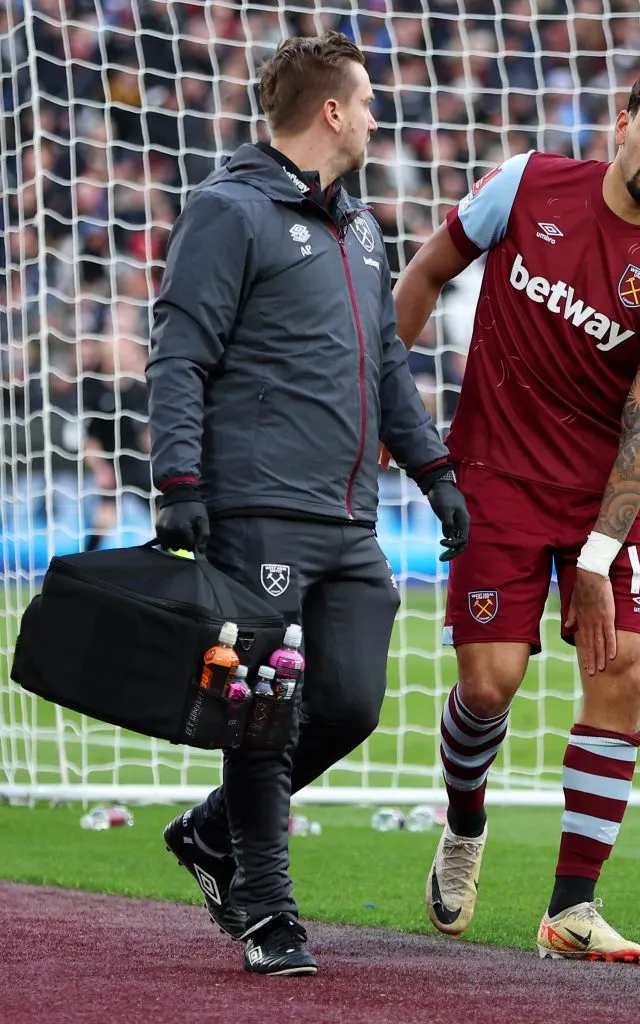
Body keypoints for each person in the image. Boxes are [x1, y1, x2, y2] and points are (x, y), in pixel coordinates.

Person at [146, 31, 469, 976]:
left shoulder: (362, 227)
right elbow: (180, 351)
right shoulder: (226, 210)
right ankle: (265, 910)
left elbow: (385, 370)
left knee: (353, 703)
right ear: (331, 111)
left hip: (348, 520)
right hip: (256, 510)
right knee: (265, 709)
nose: (375, 117)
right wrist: (179, 481)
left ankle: (210, 835)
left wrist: (436, 472)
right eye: (366, 101)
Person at [391, 55, 640, 963]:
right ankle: (463, 825)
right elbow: (420, 277)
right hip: (493, 476)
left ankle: (571, 908)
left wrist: (596, 556)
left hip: (603, 500)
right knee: (489, 684)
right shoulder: (525, 182)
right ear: (621, 122)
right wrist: (376, 406)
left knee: (622, 675)